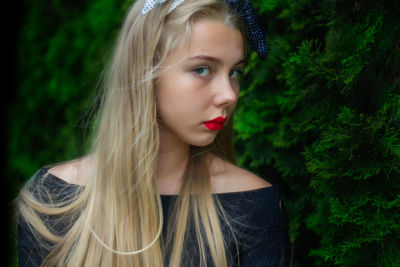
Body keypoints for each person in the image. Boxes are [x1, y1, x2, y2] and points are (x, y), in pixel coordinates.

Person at [17, 0, 290, 266]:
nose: (229, 95)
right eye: (202, 69)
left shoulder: (253, 206)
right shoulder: (53, 201)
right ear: (145, 72)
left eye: (235, 72)